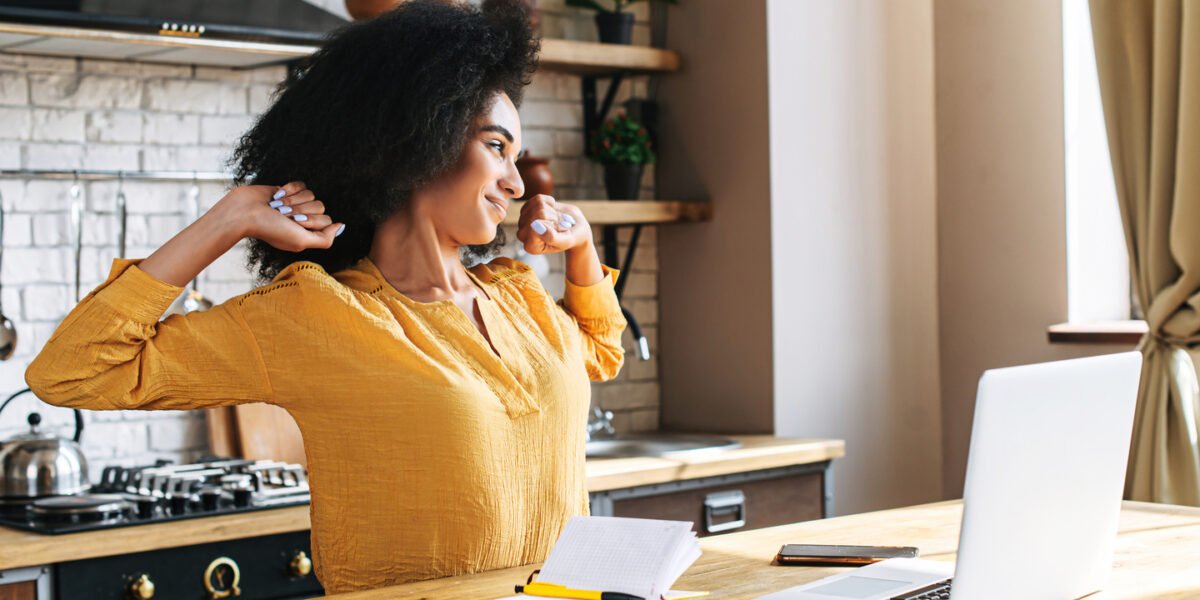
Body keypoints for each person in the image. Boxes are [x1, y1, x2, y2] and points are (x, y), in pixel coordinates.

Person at [24, 0, 626, 593]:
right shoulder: (317, 313)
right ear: (419, 137)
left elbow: (600, 353)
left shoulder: (516, 293)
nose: (516, 184)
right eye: (496, 148)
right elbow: (73, 372)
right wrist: (228, 218)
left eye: (517, 157)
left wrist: (582, 251)